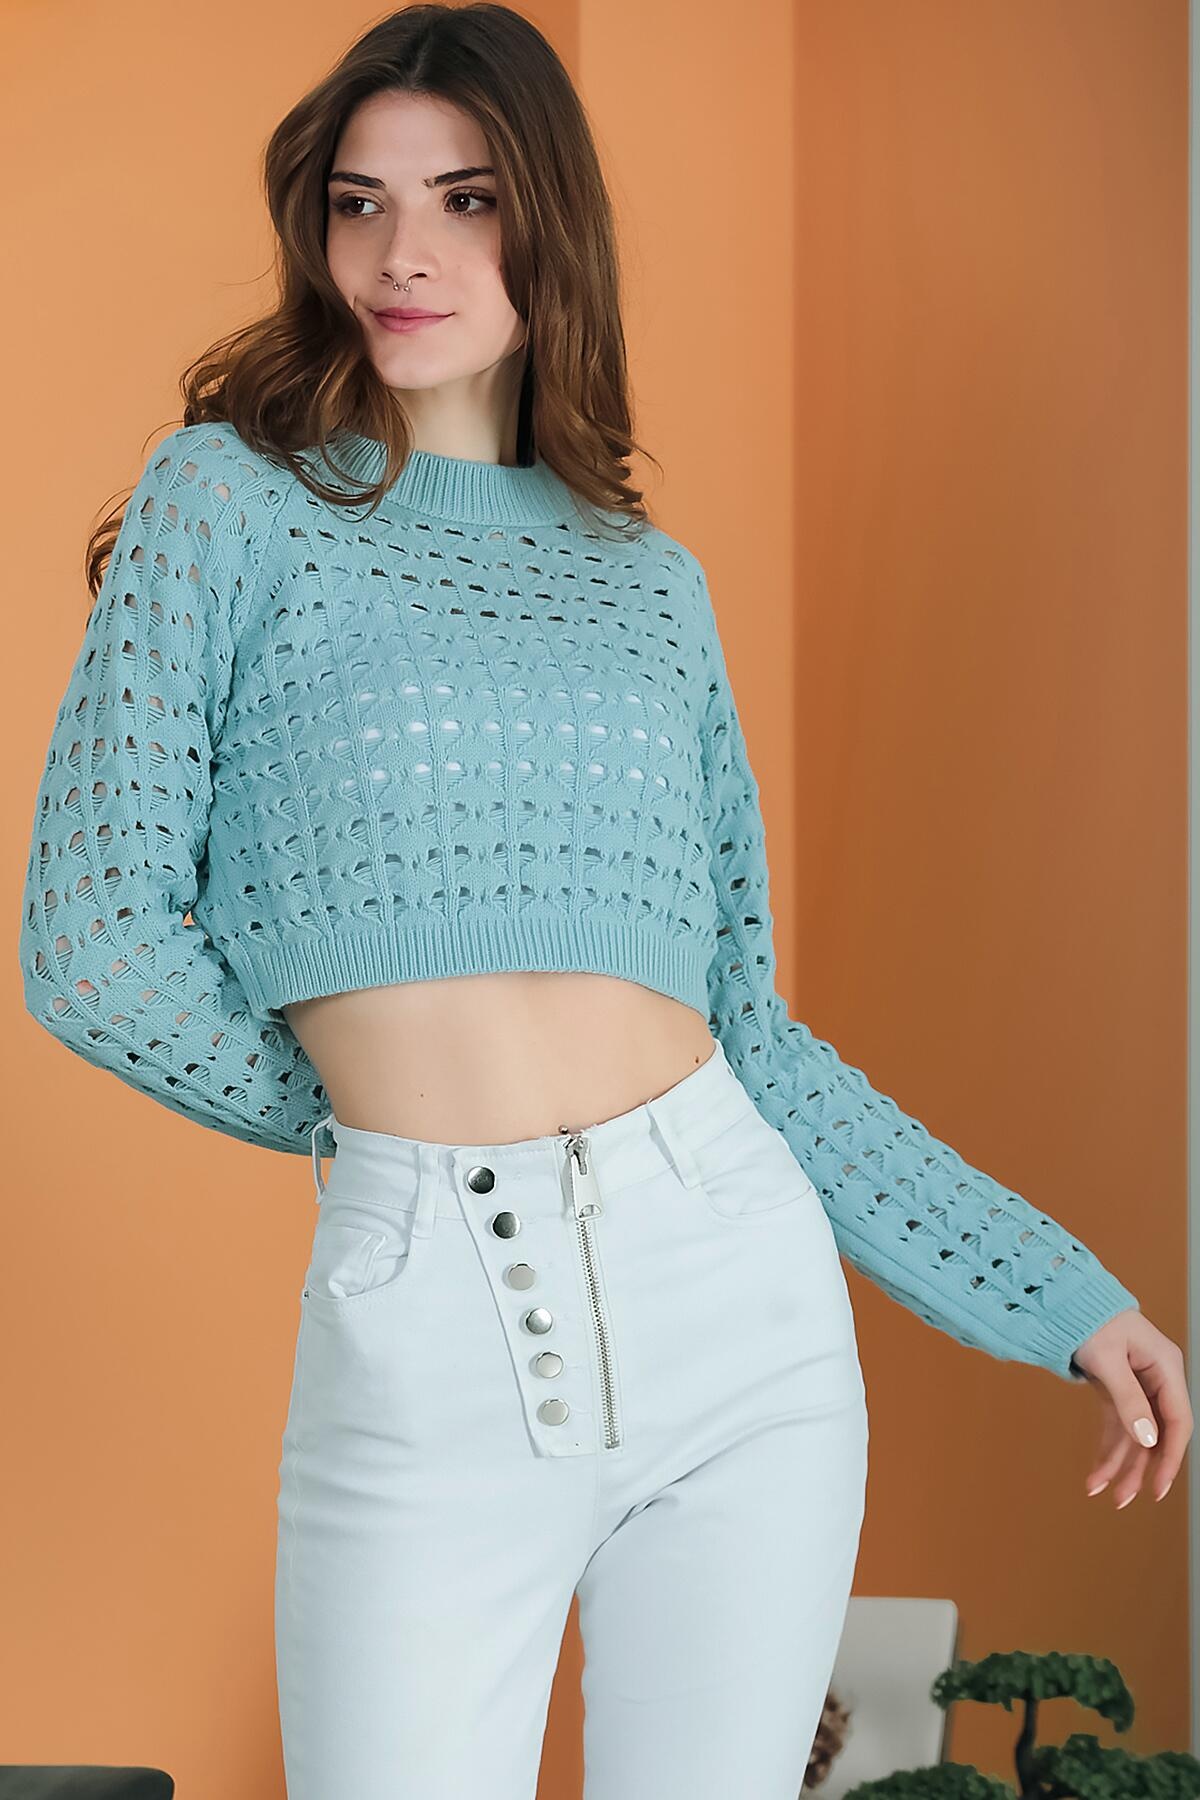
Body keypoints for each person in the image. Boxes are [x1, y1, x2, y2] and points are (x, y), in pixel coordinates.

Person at [17, 6, 1189, 1798]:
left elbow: (753, 1043)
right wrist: (378, 1133)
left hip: (738, 1304)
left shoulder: (651, 585)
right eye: (359, 202)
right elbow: (94, 944)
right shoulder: (231, 507)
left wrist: (1058, 1293)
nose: (402, 253)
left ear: (551, 223)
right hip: (427, 1312)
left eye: (467, 198)